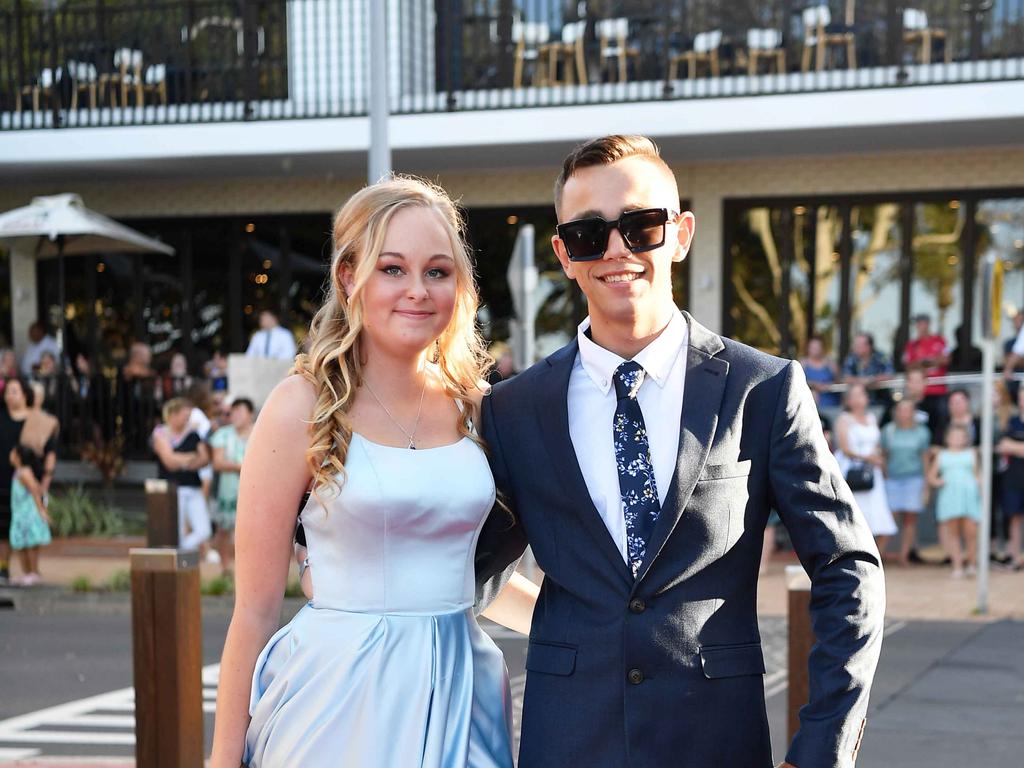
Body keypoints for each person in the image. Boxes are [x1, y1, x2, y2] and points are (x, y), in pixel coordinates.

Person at [474, 135, 884, 768]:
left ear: (681, 233)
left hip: (718, 741)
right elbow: (473, 571)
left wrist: (823, 750)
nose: (617, 250)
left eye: (641, 226)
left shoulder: (763, 388)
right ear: (562, 252)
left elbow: (848, 570)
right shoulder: (513, 408)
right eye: (588, 234)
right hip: (567, 742)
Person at [211, 177, 539, 768]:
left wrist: (595, 628)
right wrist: (220, 761)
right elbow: (254, 609)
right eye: (393, 269)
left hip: (462, 697)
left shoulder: (480, 407)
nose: (417, 290)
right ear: (348, 278)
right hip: (337, 700)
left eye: (437, 272)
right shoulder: (301, 405)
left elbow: (478, 577)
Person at [835, 382, 898, 554]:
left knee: (880, 517)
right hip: (853, 472)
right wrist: (868, 458)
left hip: (873, 472)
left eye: (861, 394)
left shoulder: (871, 418)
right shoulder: (844, 419)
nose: (858, 399)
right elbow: (845, 448)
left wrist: (877, 459)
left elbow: (877, 444)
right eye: (854, 395)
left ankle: (874, 559)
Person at [152, 398, 211, 551]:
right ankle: (177, 558)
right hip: (172, 489)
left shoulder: (193, 433)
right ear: (172, 415)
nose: (187, 419)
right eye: (184, 416)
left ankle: (180, 551)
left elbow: (204, 458)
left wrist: (179, 460)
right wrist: (190, 457)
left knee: (204, 530)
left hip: (193, 487)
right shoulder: (161, 433)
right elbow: (169, 462)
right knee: (175, 530)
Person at [881, 399, 931, 566]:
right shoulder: (888, 431)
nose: (904, 413)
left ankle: (904, 556)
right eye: (901, 410)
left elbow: (925, 458)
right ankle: (877, 555)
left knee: (910, 519)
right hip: (893, 479)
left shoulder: (922, 432)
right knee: (888, 518)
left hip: (914, 479)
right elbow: (884, 455)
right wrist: (886, 476)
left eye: (907, 409)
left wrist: (925, 483)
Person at [208, 397, 254, 578]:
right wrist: (243, 467)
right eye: (232, 412)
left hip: (253, 491)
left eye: (240, 411)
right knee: (224, 530)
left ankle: (247, 571)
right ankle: (225, 567)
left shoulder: (260, 432)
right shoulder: (223, 434)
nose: (235, 416)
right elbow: (217, 463)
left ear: (250, 414)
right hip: (228, 490)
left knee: (252, 531)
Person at [929, 424, 982, 578]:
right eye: (954, 436)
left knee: (971, 532)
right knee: (953, 533)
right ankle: (957, 566)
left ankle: (972, 564)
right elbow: (932, 476)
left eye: (960, 436)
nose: (957, 439)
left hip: (969, 496)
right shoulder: (942, 455)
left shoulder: (972, 453)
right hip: (950, 496)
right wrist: (938, 482)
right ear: (947, 438)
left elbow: (978, 474)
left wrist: (980, 486)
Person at [0, 377, 32, 584]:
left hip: (25, 483)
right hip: (2, 479)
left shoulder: (33, 421)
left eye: (15, 391)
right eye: (8, 391)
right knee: (3, 526)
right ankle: (3, 568)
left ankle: (31, 572)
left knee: (22, 526)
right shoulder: (1, 418)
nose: (10, 395)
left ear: (25, 395)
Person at [8, 444, 51, 586]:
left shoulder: (25, 472)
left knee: (30, 544)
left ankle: (33, 572)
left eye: (13, 453)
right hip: (20, 513)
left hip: (27, 514)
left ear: (19, 457)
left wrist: (41, 510)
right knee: (21, 544)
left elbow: (34, 490)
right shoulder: (20, 471)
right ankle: (27, 573)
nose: (10, 455)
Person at [996, 384, 1024, 570]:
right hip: (1014, 478)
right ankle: (1015, 557)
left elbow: (1009, 445)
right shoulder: (1011, 421)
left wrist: (1014, 447)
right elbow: (1002, 445)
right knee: (1014, 517)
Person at [902, 314, 949, 403]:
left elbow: (946, 360)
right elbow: (908, 366)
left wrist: (924, 363)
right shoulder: (912, 344)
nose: (918, 326)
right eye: (917, 324)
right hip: (918, 393)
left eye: (921, 323)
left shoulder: (939, 340)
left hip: (938, 389)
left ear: (928, 324)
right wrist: (930, 362)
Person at [842, 331, 894, 405]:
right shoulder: (851, 358)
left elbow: (889, 374)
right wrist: (861, 381)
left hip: (881, 401)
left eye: (859, 345)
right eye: (855, 344)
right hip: (858, 403)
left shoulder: (881, 357)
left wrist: (871, 379)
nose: (855, 347)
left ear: (868, 346)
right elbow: (845, 377)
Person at [801, 334, 840, 409]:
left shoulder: (831, 364)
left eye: (817, 347)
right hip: (810, 404)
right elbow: (797, 383)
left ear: (822, 348)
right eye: (813, 347)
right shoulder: (803, 364)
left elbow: (839, 382)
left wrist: (829, 386)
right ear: (808, 348)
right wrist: (814, 385)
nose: (815, 350)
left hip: (830, 403)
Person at [1004, 310, 1024, 399]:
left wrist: (1010, 366)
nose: (1018, 324)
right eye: (1016, 320)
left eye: (1021, 320)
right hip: (1014, 384)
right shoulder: (1008, 343)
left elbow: (1016, 355)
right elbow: (1007, 360)